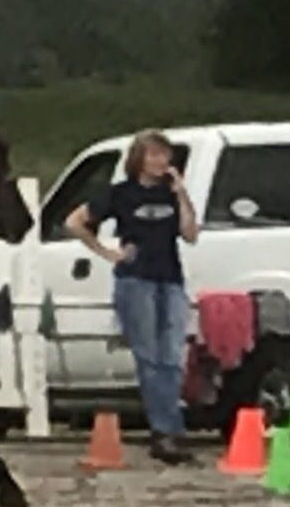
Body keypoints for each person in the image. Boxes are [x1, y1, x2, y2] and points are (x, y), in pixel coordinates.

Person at [66, 131, 199, 463]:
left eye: (164, 155)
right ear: (138, 159)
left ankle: (172, 427)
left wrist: (181, 193)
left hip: (170, 278)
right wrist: (107, 252)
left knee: (171, 357)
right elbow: (76, 222)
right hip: (135, 280)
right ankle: (163, 431)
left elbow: (190, 234)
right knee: (149, 357)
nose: (160, 162)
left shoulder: (171, 194)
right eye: (153, 155)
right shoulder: (121, 193)